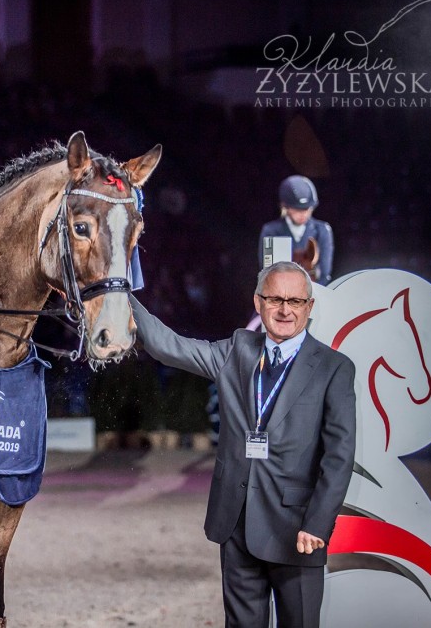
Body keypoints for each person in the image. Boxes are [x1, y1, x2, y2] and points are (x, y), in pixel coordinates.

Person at [129, 261, 355, 628]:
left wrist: (318, 523)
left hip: (297, 531)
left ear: (309, 307)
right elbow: (167, 346)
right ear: (258, 302)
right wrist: (118, 292)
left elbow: (339, 456)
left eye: (296, 301)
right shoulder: (236, 350)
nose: (285, 310)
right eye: (275, 299)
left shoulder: (334, 368)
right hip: (236, 525)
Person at [258, 175, 334, 285]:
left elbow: (324, 273)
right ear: (285, 207)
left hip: (314, 291)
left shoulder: (322, 230)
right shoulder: (271, 231)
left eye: (306, 209)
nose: (303, 214)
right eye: (297, 209)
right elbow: (267, 273)